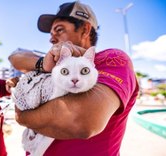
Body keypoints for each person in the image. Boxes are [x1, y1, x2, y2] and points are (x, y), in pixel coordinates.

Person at [9, 1, 139, 156]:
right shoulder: (55, 66)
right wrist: (43, 63)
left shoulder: (111, 59)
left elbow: (83, 121)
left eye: (59, 30)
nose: (51, 39)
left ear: (85, 29)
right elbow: (15, 57)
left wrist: (23, 117)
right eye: (50, 34)